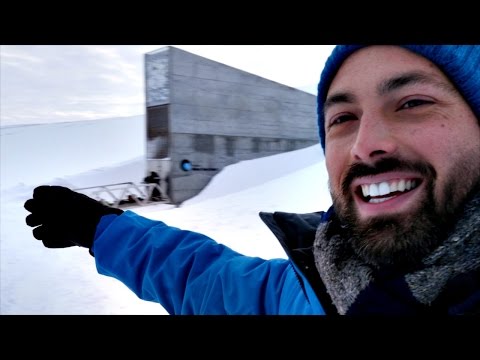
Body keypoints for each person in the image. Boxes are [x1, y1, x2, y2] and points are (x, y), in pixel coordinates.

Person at [24, 45, 480, 315]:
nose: (366, 144)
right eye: (343, 117)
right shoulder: (318, 286)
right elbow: (208, 281)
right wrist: (104, 229)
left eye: (413, 102)